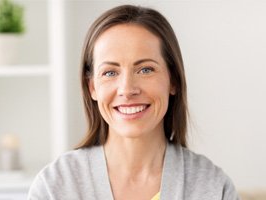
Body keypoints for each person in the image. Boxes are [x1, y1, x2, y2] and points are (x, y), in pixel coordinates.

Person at [28, 5, 240, 200]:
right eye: (110, 72)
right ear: (92, 87)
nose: (127, 90)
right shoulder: (54, 187)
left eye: (145, 69)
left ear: (173, 80)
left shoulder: (213, 187)